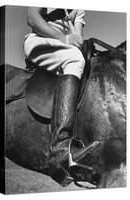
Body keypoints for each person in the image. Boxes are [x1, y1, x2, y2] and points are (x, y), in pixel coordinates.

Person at [24, 7, 87, 185]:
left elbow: (78, 37)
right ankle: (60, 150)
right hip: (41, 42)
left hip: (65, 47)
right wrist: (67, 39)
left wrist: (77, 40)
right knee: (76, 59)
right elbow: (32, 18)